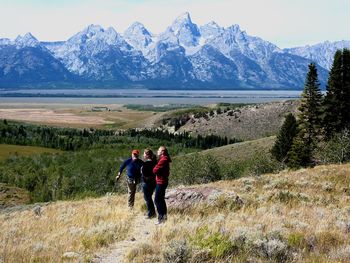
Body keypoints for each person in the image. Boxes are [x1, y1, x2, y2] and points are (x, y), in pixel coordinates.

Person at [153, 146, 171, 224]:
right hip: (163, 181)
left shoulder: (163, 160)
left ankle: (161, 218)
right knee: (161, 199)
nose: (157, 151)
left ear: (162, 151)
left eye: (158, 150)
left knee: (157, 200)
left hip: (161, 182)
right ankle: (164, 217)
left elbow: (154, 170)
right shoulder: (165, 159)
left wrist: (155, 168)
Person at [141, 149, 157, 219]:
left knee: (147, 198)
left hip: (147, 183)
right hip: (153, 182)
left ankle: (151, 213)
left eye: (144, 154)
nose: (143, 155)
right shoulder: (155, 162)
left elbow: (144, 173)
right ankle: (151, 212)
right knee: (148, 197)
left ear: (147, 155)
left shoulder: (146, 164)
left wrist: (141, 170)